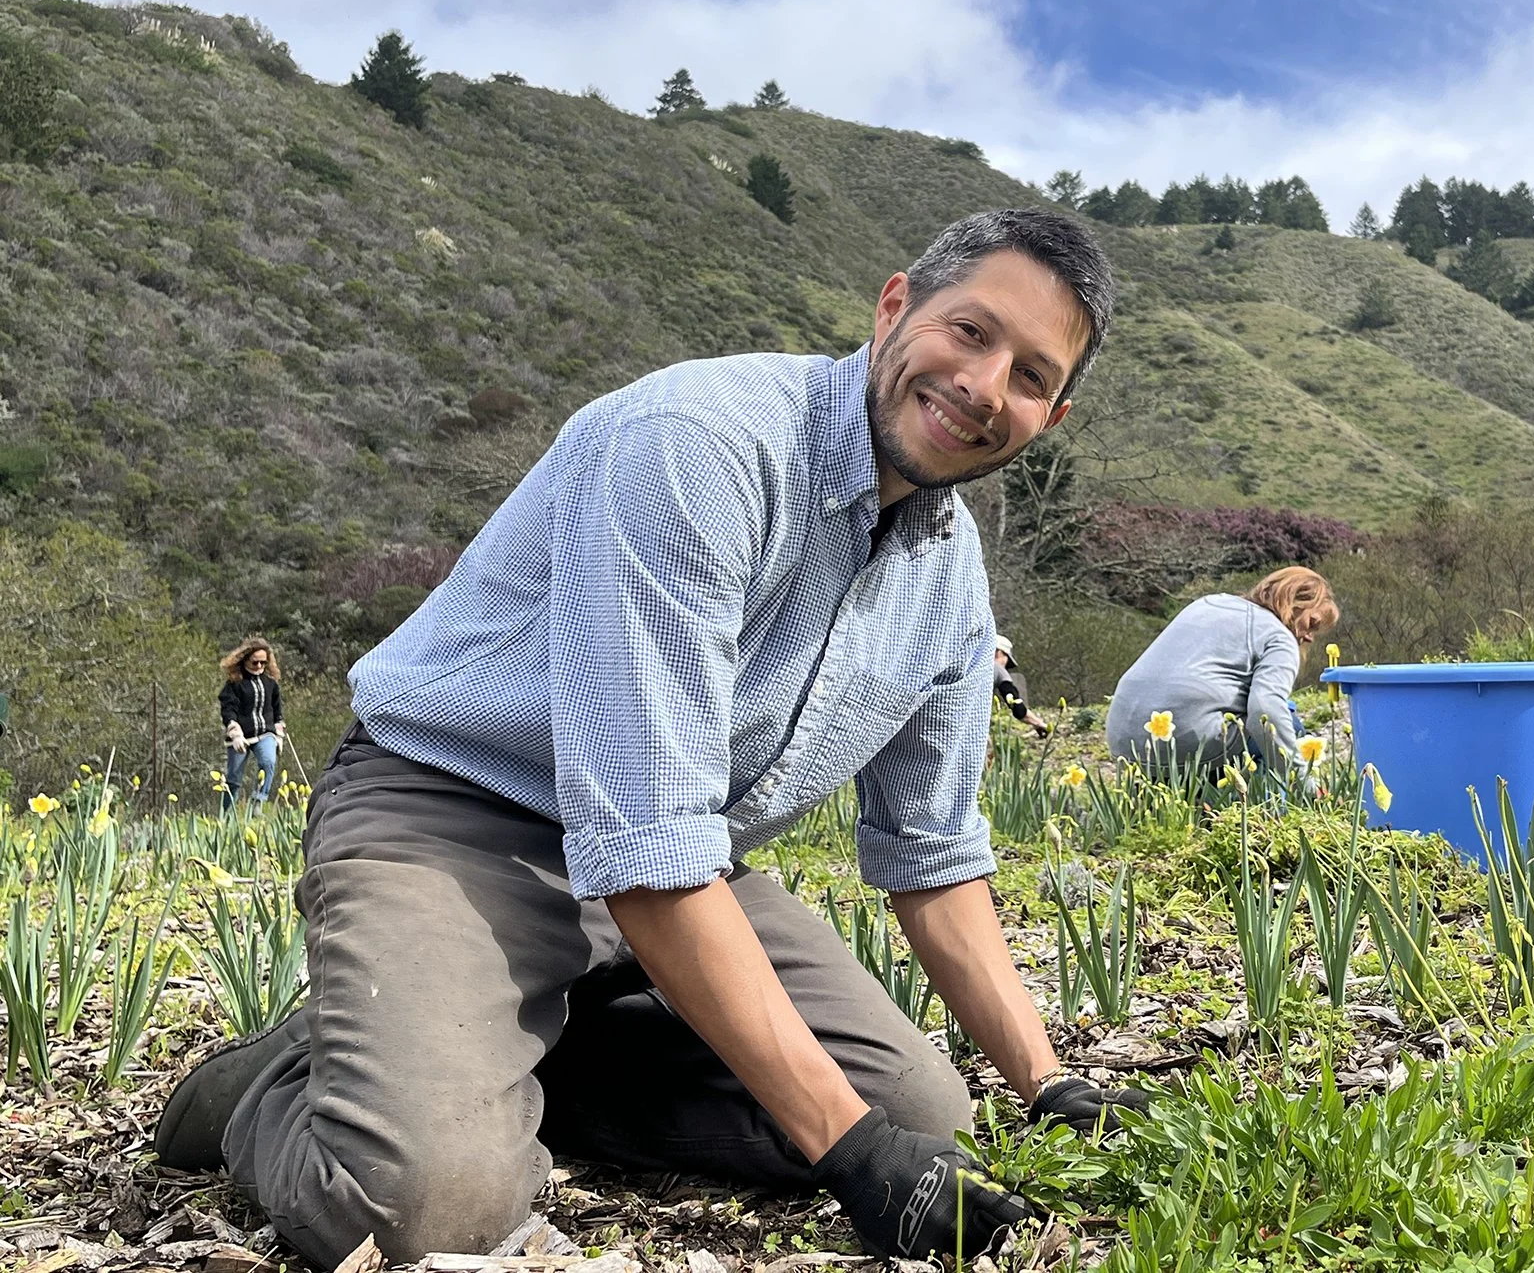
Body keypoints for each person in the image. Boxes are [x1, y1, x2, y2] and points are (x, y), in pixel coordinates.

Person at [152, 209, 1145, 1269]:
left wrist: (1049, 1085)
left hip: (680, 868)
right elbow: (643, 844)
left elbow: (931, 860)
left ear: (1054, 412)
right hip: (454, 815)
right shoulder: (697, 445)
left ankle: (509, 1057)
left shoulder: (947, 580)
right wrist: (847, 1154)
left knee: (922, 1113)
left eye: (1032, 376)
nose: (986, 387)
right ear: (893, 305)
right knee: (424, 1208)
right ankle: (276, 1083)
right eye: (970, 331)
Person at [1105, 566, 1338, 776]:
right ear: (1293, 603)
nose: (1309, 637)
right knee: (1286, 724)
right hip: (1181, 745)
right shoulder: (1279, 637)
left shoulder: (1209, 603)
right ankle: (1263, 813)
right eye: (1312, 624)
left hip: (1124, 741)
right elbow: (1265, 712)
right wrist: (1303, 783)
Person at [217, 637, 286, 809]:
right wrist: (234, 731)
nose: (259, 667)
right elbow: (228, 709)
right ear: (245, 660)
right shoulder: (234, 685)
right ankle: (226, 815)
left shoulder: (271, 684)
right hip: (241, 736)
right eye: (255, 662)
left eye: (263, 662)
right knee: (233, 778)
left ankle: (257, 803)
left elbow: (277, 711)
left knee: (268, 763)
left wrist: (279, 733)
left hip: (266, 733)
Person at [992, 633, 1049, 735]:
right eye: (1007, 661)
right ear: (998, 652)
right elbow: (1017, 708)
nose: (1006, 668)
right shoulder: (998, 669)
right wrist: (1039, 723)